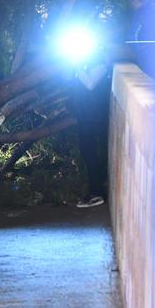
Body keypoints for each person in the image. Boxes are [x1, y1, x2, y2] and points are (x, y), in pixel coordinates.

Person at [69, 59, 110, 208]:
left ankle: (97, 193)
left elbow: (90, 84)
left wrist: (77, 66)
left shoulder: (101, 64)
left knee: (91, 154)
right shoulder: (85, 66)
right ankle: (94, 191)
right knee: (87, 153)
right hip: (85, 116)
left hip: (94, 118)